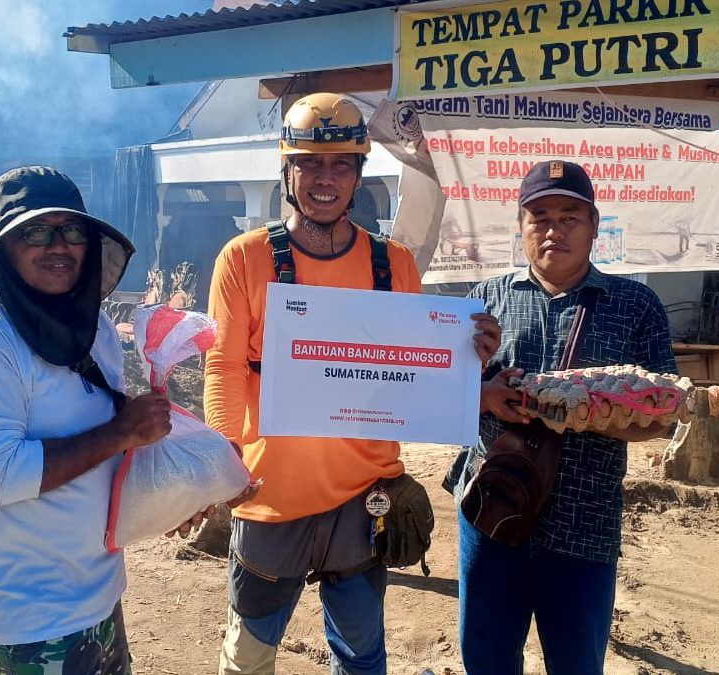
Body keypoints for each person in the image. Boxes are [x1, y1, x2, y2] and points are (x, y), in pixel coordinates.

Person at [204, 93, 499, 675]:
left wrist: (468, 362)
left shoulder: (394, 265)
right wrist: (223, 461)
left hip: (365, 497)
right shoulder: (245, 259)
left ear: (359, 173)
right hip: (270, 496)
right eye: (310, 162)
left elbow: (412, 372)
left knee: (363, 659)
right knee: (249, 657)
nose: (325, 178)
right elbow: (224, 367)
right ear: (287, 170)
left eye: (341, 163)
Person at [0, 166, 205, 674]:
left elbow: (110, 444)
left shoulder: (96, 327)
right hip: (31, 618)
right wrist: (121, 432)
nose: (58, 246)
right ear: (4, 248)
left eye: (71, 231)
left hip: (100, 593)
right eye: (35, 232)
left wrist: (171, 497)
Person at [452, 160, 678, 674]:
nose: (554, 229)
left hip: (585, 520)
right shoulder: (481, 305)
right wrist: (480, 392)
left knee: (576, 662)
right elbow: (438, 398)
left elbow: (663, 414)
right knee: (485, 659)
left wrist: (586, 410)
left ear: (594, 225)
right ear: (520, 226)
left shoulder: (636, 306)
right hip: (492, 511)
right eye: (540, 217)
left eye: (569, 216)